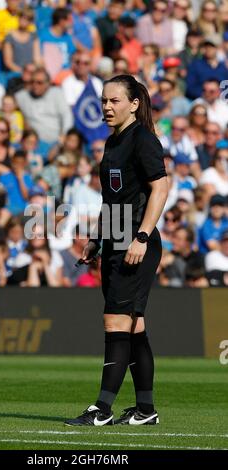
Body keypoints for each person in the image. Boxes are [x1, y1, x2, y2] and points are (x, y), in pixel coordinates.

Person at [65, 74, 168, 426]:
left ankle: (102, 410)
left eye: (115, 101)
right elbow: (114, 201)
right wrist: (97, 239)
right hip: (114, 242)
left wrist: (141, 236)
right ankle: (145, 410)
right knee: (134, 327)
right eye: (104, 101)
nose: (107, 107)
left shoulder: (142, 139)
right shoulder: (113, 142)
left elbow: (160, 188)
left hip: (136, 245)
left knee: (115, 321)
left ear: (134, 104)